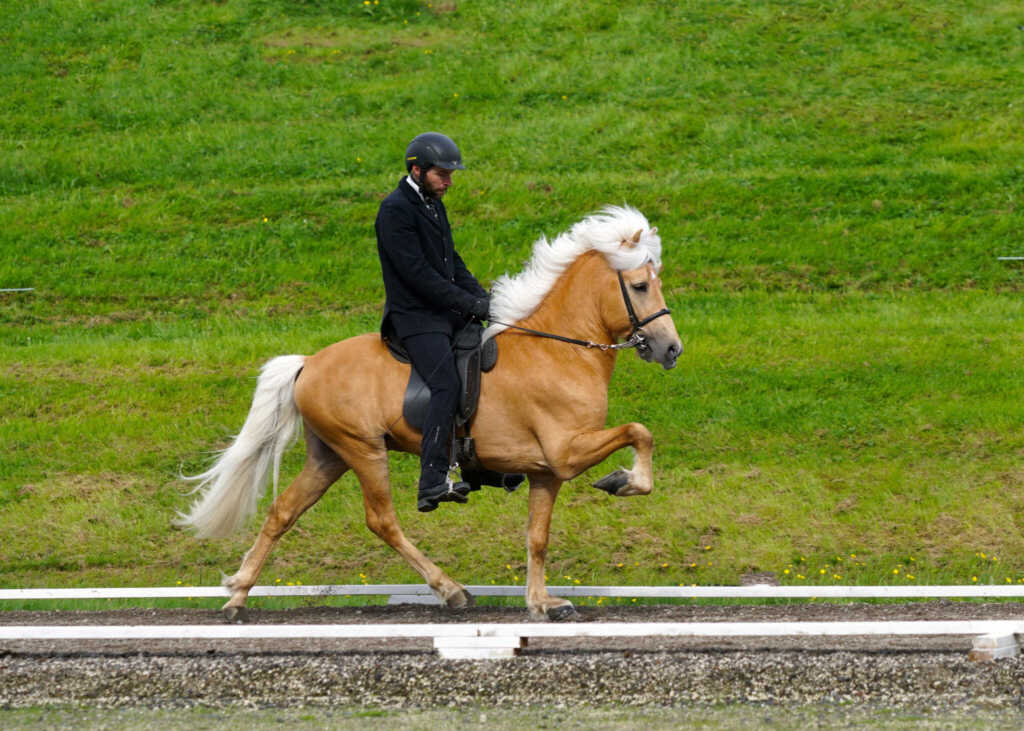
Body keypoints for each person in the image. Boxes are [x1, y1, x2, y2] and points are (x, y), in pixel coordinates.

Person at [375, 132, 490, 512]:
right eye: (443, 174)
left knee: (487, 360)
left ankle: (484, 466)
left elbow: (451, 262)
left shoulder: (434, 204)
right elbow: (419, 276)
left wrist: (484, 300)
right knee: (445, 384)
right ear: (416, 170)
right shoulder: (395, 210)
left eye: (450, 175)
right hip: (415, 318)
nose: (449, 182)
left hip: (443, 311)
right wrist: (467, 303)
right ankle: (432, 480)